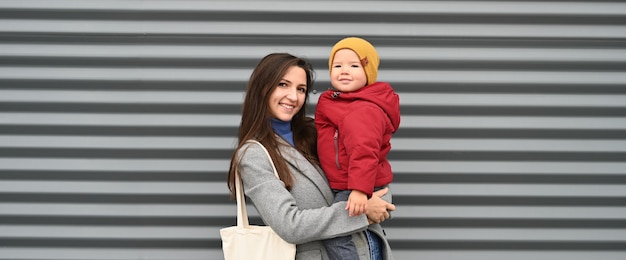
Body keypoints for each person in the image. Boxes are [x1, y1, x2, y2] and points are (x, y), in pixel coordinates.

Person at [227, 52, 396, 259]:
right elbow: (290, 225)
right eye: (283, 85)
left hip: (367, 248)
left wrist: (380, 200)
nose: (293, 96)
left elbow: (373, 167)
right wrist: (362, 213)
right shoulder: (253, 155)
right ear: (262, 88)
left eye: (301, 89)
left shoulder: (316, 132)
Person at [315, 37, 401, 260]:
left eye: (354, 66)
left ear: (368, 73)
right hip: (348, 182)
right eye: (338, 66)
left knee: (336, 234)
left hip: (357, 185)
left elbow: (364, 150)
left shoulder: (363, 108)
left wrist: (360, 189)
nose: (344, 71)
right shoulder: (341, 102)